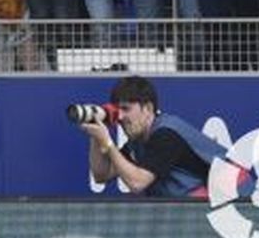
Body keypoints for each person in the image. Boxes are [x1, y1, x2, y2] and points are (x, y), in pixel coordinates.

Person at [77, 74, 230, 197]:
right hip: (201, 209)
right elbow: (102, 175)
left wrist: (108, 144)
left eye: (126, 109)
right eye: (117, 111)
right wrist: (96, 135)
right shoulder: (138, 141)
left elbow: (137, 183)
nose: (120, 117)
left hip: (234, 205)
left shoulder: (166, 135)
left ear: (148, 108)